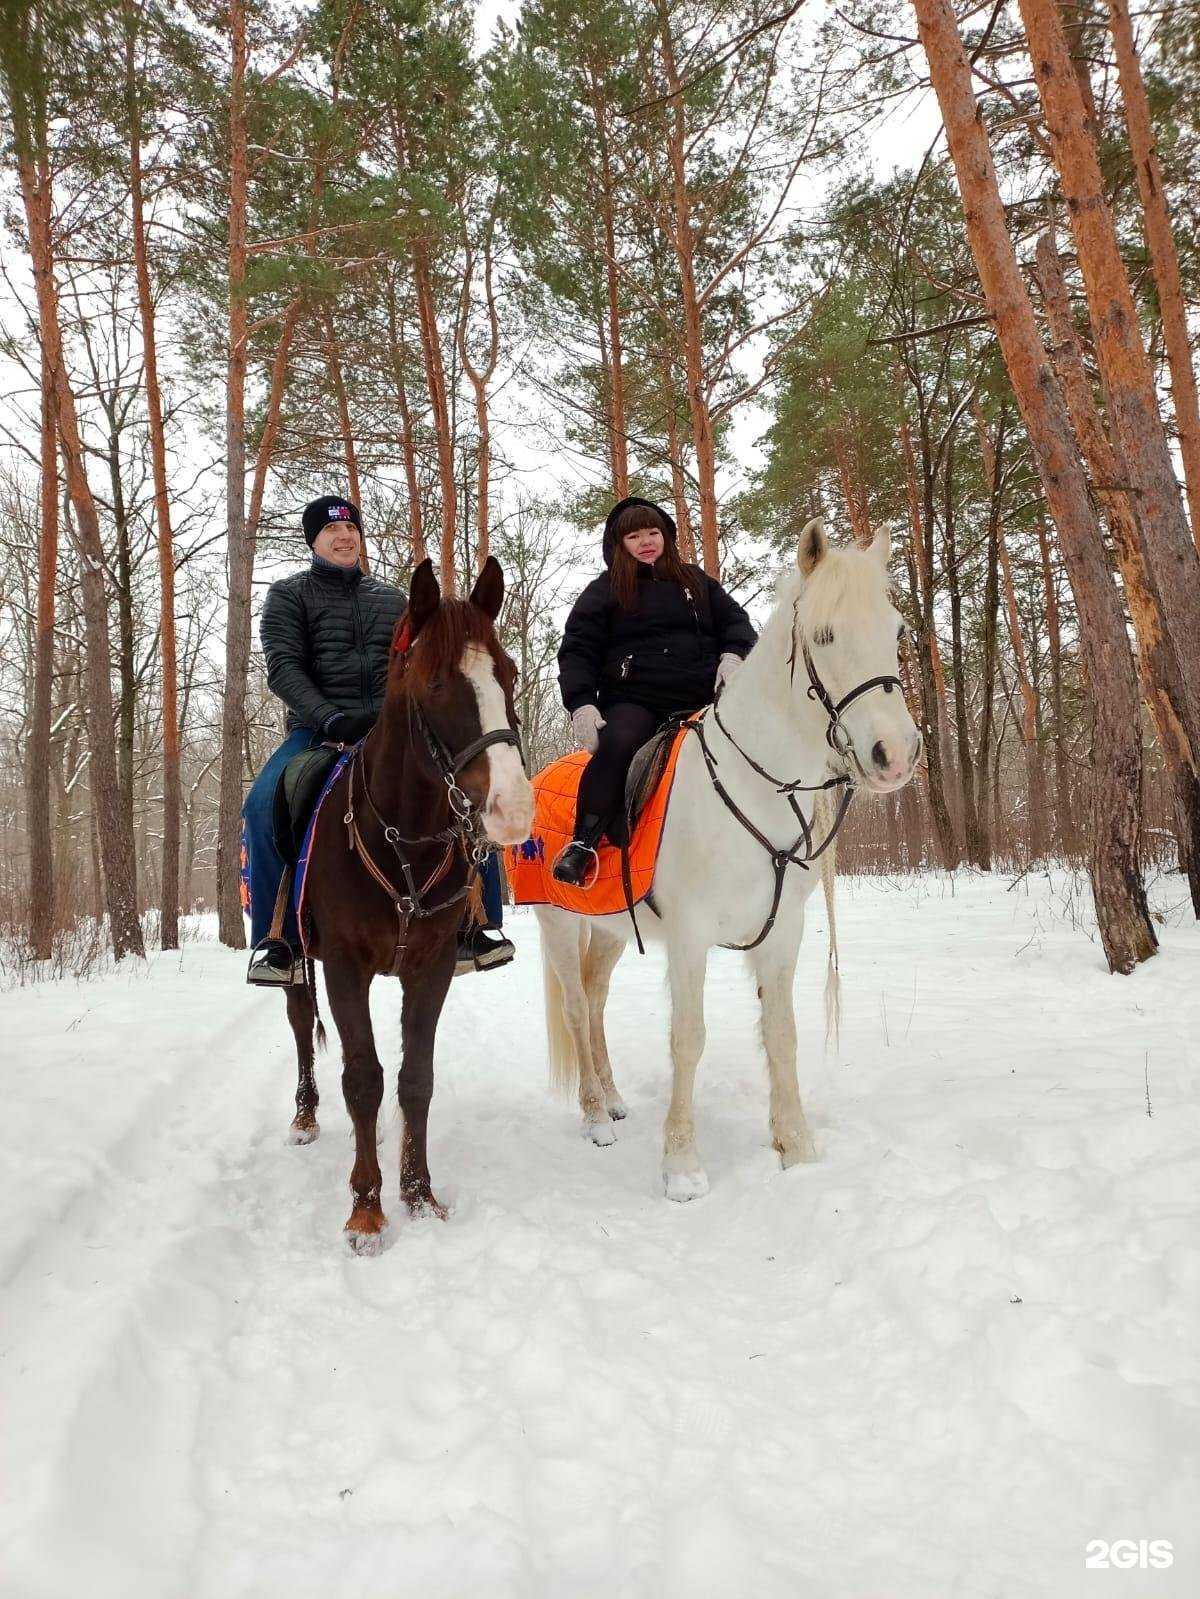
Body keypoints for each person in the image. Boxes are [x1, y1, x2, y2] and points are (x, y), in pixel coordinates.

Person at [243, 494, 514, 984]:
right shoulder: (288, 596)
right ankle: (276, 938)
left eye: (352, 529)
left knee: (466, 789)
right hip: (316, 732)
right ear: (313, 540)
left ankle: (476, 924)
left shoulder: (394, 602)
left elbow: (419, 669)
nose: (345, 537)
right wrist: (328, 717)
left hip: (391, 733)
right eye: (332, 531)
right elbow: (283, 669)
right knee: (263, 804)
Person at [552, 495, 756, 887]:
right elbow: (577, 649)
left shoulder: (695, 581)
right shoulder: (604, 590)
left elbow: (737, 622)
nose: (646, 541)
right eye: (634, 536)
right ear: (619, 543)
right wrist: (582, 704)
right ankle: (584, 843)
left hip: (703, 697)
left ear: (666, 536)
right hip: (637, 699)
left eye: (653, 532)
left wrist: (733, 656)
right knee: (618, 743)